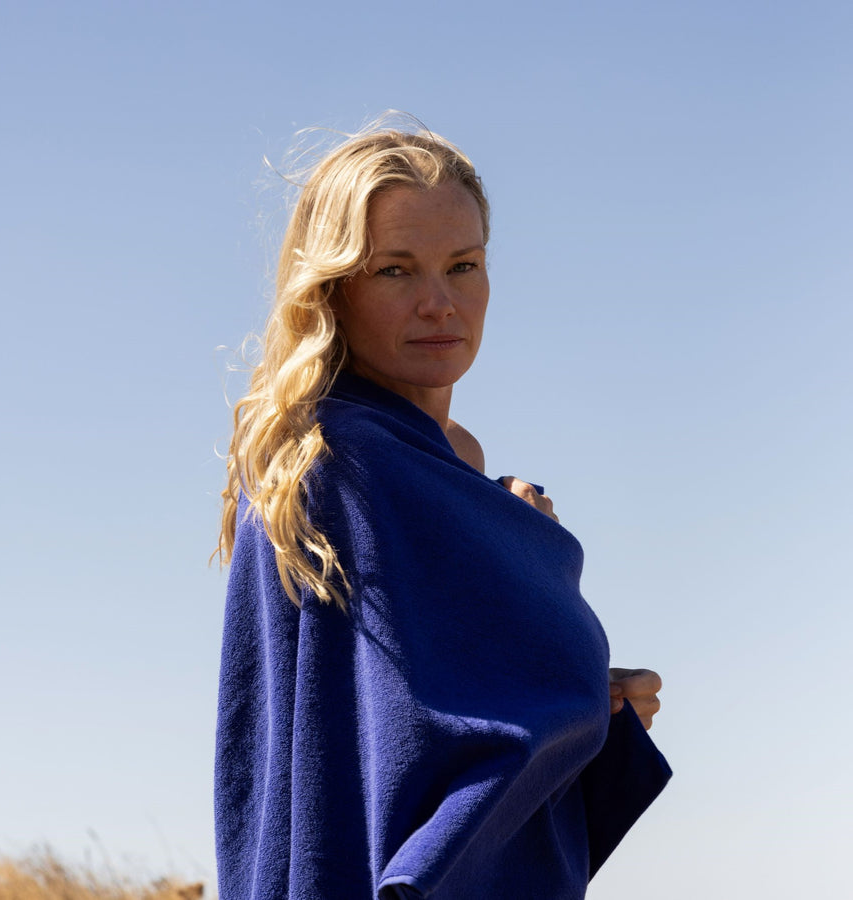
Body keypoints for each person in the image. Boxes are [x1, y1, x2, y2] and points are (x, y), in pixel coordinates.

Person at [214, 122, 671, 900]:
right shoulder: (346, 458)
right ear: (332, 286)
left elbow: (441, 715)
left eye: (464, 266)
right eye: (395, 270)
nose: (439, 302)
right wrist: (534, 586)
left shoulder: (442, 464)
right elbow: (394, 765)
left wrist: (584, 697)